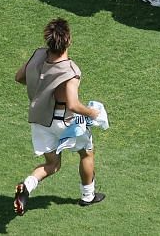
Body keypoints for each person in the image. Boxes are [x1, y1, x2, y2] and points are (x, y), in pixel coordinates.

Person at [13, 18, 105, 215]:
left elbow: (19, 77)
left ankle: (27, 186)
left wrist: (40, 90)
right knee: (86, 153)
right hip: (65, 121)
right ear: (68, 40)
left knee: (52, 164)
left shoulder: (37, 55)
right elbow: (73, 104)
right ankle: (88, 196)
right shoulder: (70, 70)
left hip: (39, 120)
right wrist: (94, 113)